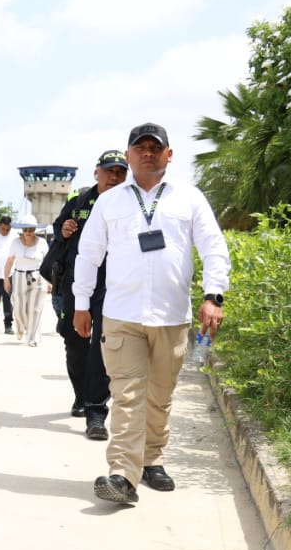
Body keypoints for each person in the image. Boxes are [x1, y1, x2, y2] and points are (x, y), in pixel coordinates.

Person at [74, 123, 230, 505]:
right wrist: (81, 303)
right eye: (139, 148)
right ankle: (122, 475)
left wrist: (214, 295)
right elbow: (89, 253)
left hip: (171, 315)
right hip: (121, 313)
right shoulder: (110, 202)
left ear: (169, 155)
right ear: (128, 156)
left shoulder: (189, 198)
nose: (147, 153)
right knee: (127, 395)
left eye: (154, 148)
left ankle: (152, 459)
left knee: (159, 396)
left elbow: (213, 247)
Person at [51, 150, 128, 440]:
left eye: (120, 172)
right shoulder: (78, 199)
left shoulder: (129, 203)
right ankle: (81, 395)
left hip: (113, 283)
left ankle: (97, 410)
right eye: (109, 171)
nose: (114, 177)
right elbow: (58, 229)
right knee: (74, 341)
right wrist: (65, 231)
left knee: (102, 344)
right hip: (76, 281)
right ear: (97, 172)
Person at [2, 215, 48, 346]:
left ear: (35, 230)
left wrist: (50, 281)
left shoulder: (42, 243)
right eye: (25, 230)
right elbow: (10, 261)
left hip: (38, 277)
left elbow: (47, 263)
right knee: (19, 309)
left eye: (31, 229)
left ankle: (33, 338)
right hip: (19, 276)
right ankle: (21, 327)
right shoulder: (15, 242)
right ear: (22, 230)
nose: (28, 232)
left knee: (35, 309)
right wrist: (6, 279)